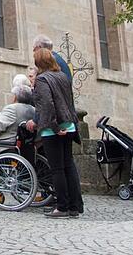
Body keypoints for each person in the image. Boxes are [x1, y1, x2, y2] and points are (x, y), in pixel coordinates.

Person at [28, 48, 84, 218]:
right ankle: (75, 206)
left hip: (53, 130)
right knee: (68, 165)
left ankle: (62, 206)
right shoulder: (63, 77)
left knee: (57, 169)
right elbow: (69, 102)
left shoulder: (43, 80)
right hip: (69, 125)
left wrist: (54, 127)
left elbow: (47, 106)